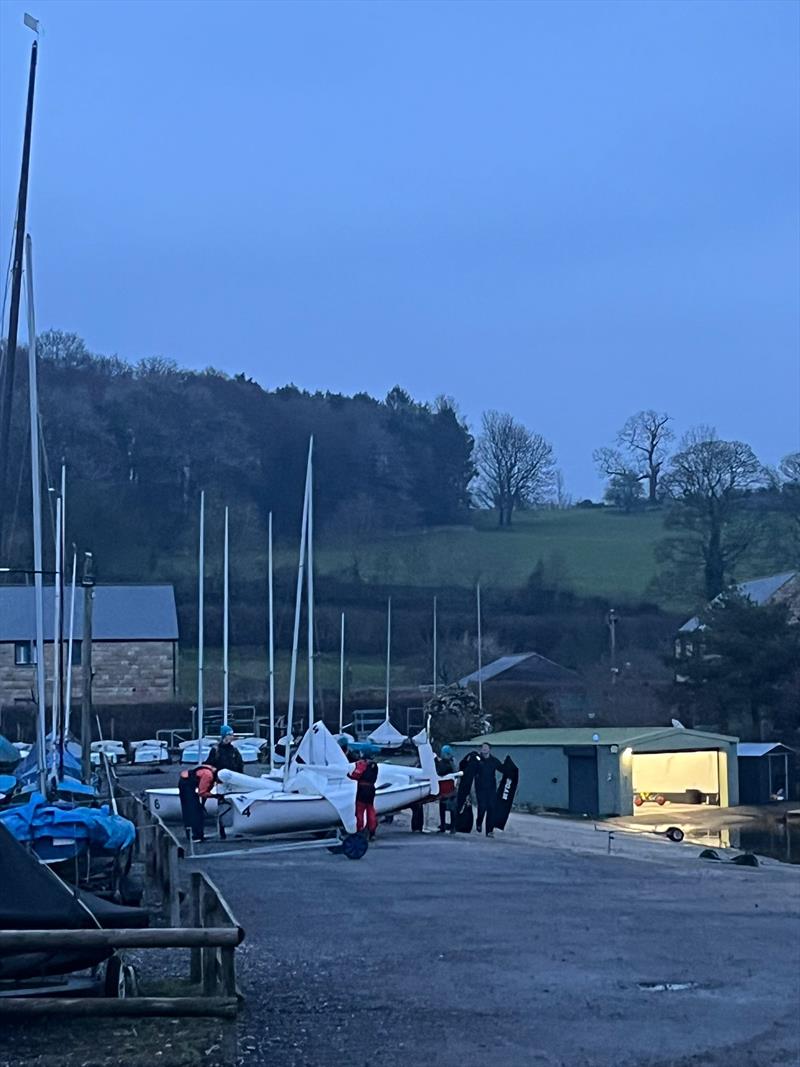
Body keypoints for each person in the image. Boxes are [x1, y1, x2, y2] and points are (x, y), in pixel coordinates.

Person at [178, 762, 218, 843]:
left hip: (188, 782)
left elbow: (205, 790)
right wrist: (215, 796)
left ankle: (198, 834)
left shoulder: (212, 770)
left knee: (196, 810)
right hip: (186, 784)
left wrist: (202, 804)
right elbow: (202, 792)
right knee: (192, 811)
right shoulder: (209, 775)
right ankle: (195, 835)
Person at [474, 742, 503, 838]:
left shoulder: (494, 761)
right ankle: (479, 822)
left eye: (486, 747)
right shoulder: (477, 760)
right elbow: (470, 770)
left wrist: (510, 771)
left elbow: (502, 769)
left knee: (491, 808)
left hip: (491, 788)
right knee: (482, 807)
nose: (484, 749)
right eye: (483, 747)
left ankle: (489, 831)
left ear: (490, 749)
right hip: (480, 788)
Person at [348, 756, 379, 839]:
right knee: (370, 810)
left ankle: (359, 829)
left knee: (360, 811)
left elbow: (355, 775)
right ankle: (372, 831)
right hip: (371, 789)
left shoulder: (362, 764)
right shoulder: (375, 766)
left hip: (362, 790)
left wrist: (348, 775)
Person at [436, 745, 456, 833]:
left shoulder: (449, 763)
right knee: (446, 808)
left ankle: (450, 827)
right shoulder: (451, 762)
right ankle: (448, 826)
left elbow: (441, 772)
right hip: (446, 788)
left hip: (448, 788)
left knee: (449, 808)